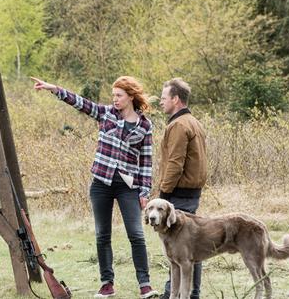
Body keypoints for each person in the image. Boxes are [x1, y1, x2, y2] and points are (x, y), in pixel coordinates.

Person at [32, 76, 159, 299]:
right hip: (101, 183)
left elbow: (146, 162)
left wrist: (144, 191)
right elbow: (80, 102)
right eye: (113, 96)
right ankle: (107, 284)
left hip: (128, 187)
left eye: (119, 95)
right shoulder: (107, 114)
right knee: (103, 235)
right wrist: (54, 89)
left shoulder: (145, 126)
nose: (115, 99)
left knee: (136, 235)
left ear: (130, 97)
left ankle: (145, 285)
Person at [158, 78, 207, 299]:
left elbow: (175, 163)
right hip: (191, 192)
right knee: (191, 246)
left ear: (175, 99)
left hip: (179, 194)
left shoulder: (178, 125)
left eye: (163, 98)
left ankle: (176, 293)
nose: (161, 102)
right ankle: (188, 292)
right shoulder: (193, 121)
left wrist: (163, 195)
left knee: (179, 247)